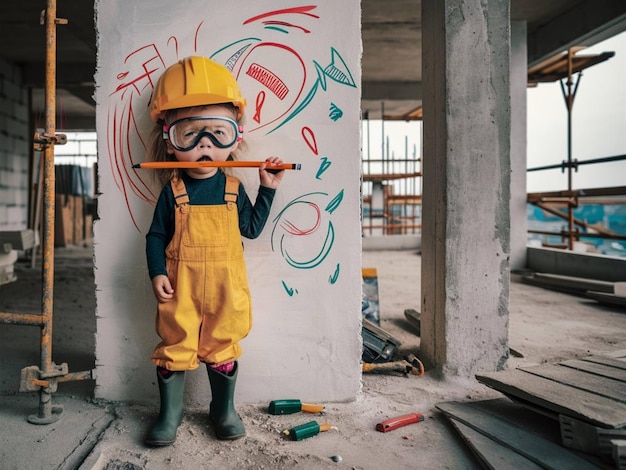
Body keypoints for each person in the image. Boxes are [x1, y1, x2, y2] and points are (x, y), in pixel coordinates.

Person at [143, 56, 285, 446]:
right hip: (180, 288)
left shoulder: (234, 189)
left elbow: (252, 229)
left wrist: (268, 187)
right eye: (189, 133)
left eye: (218, 133)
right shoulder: (172, 192)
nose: (205, 144)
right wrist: (156, 272)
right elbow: (155, 237)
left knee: (222, 347)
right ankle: (169, 414)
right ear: (169, 142)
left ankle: (222, 410)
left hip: (226, 289)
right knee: (175, 347)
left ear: (235, 137)